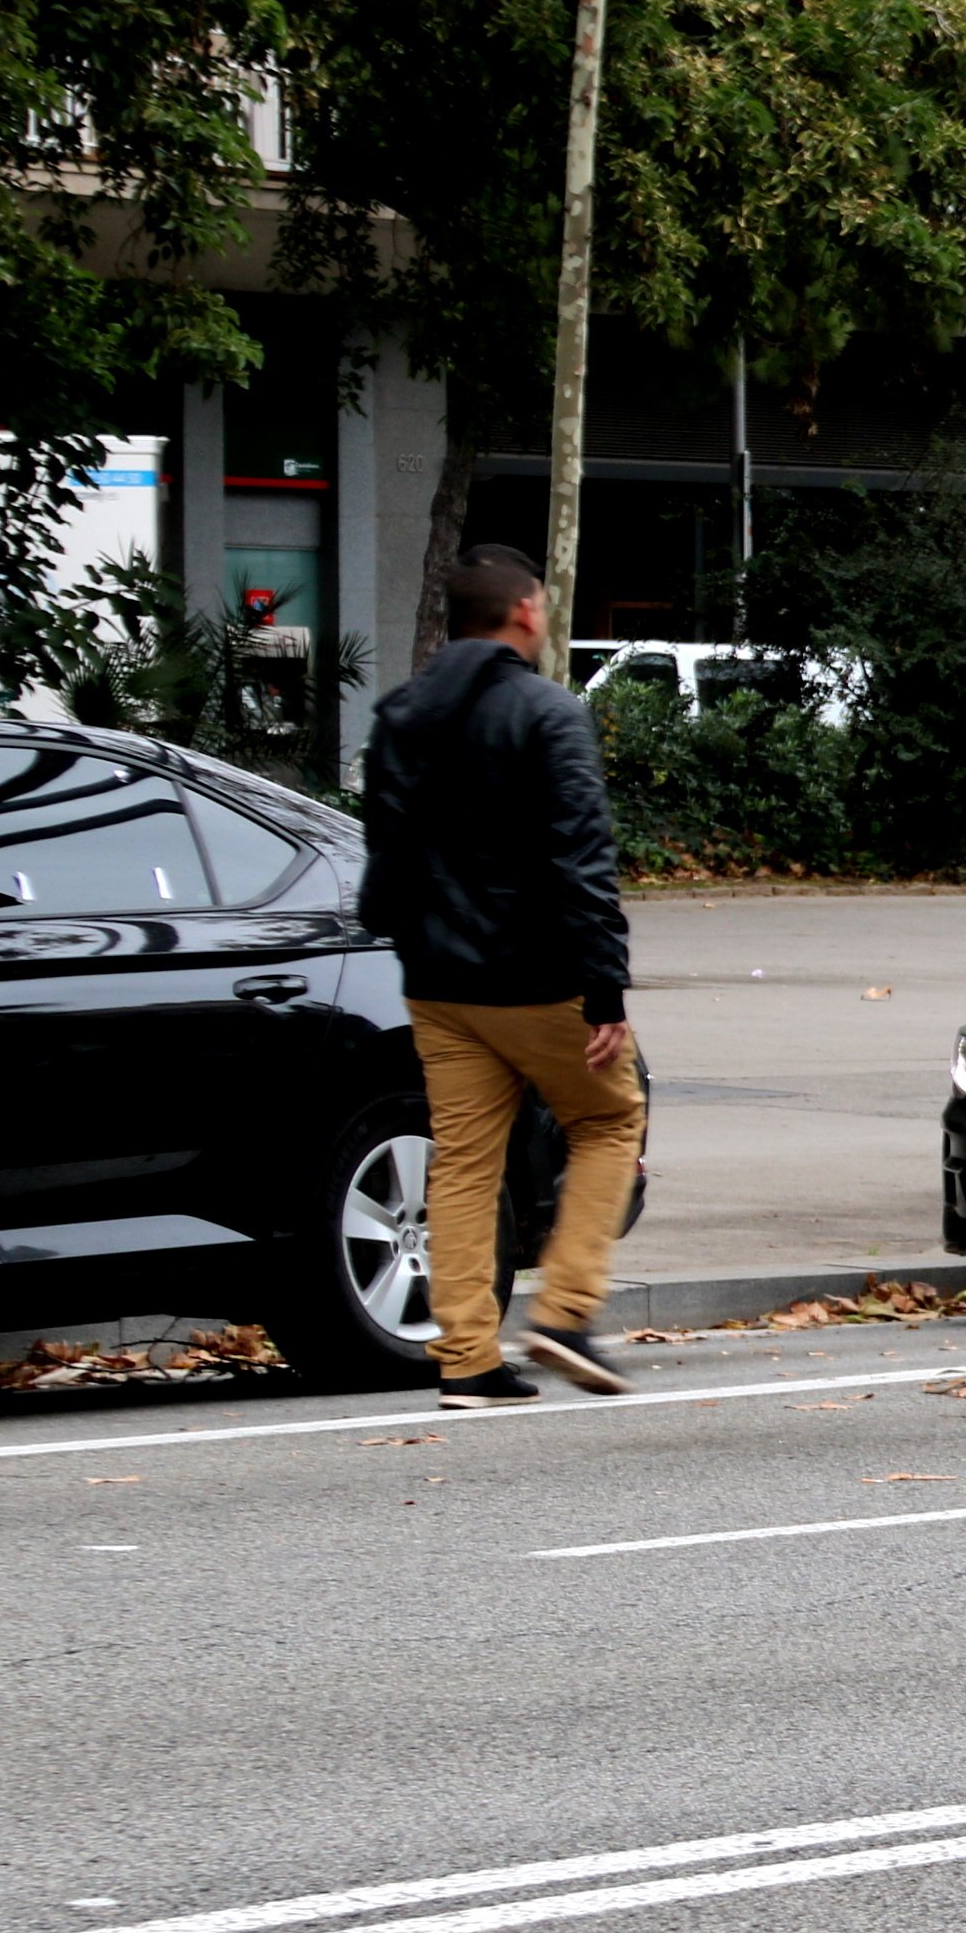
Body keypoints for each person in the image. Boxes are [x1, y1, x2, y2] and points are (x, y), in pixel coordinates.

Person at [359, 546, 646, 1407]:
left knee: (463, 1163)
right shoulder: (547, 713)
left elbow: (385, 845)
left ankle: (467, 1361)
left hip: (438, 982)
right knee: (607, 1123)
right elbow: (581, 858)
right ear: (525, 612)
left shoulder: (399, 714)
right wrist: (605, 985)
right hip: (537, 977)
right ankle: (563, 1313)